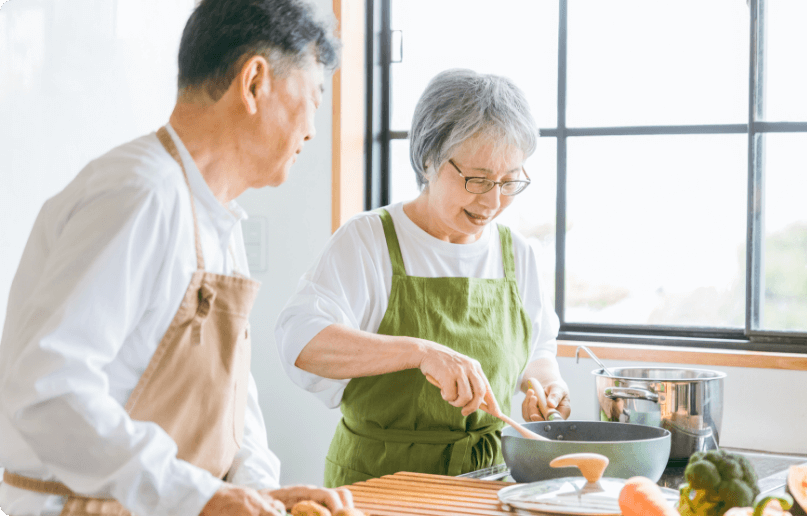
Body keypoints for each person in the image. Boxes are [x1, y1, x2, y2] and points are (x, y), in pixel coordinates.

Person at [0, 1, 356, 515]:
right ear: (254, 82)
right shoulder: (140, 193)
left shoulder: (218, 215)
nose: (313, 131)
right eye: (315, 98)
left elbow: (231, 399)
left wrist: (257, 490)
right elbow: (48, 390)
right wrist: (201, 496)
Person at [275, 68, 572, 487]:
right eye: (477, 179)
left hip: (488, 482)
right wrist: (420, 352)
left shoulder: (517, 254)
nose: (492, 201)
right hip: (378, 481)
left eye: (509, 181)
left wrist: (545, 384)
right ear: (428, 159)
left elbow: (538, 345)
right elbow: (300, 341)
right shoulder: (368, 240)